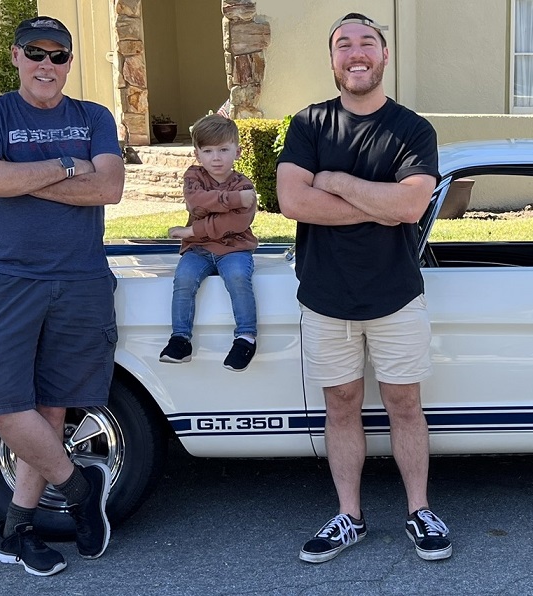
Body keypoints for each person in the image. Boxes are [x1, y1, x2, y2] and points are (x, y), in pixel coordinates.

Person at [276, 12, 450, 563]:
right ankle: (349, 515)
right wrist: (378, 204)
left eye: (367, 42)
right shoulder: (308, 124)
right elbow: (293, 202)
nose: (357, 53)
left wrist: (336, 182)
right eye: (344, 44)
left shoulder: (413, 129)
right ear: (332, 59)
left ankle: (419, 511)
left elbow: (411, 205)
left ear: (384, 55)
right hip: (325, 296)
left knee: (405, 404)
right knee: (341, 405)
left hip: (396, 294)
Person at [0, 16, 124, 577]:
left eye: (58, 55)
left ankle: (17, 530)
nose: (46, 65)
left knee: (52, 407)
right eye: (36, 52)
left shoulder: (94, 116)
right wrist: (66, 166)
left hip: (81, 277)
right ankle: (80, 489)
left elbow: (109, 187)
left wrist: (20, 176)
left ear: (69, 62)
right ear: (16, 55)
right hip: (9, 278)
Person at [160, 114, 260, 371]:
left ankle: (246, 337)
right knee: (183, 278)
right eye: (208, 151)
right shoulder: (194, 177)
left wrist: (192, 230)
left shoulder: (244, 185)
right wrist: (233, 200)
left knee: (238, 277)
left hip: (234, 248)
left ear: (237, 152)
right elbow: (196, 203)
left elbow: (237, 223)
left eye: (223, 150)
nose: (216, 158)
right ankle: (180, 339)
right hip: (198, 250)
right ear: (197, 154)